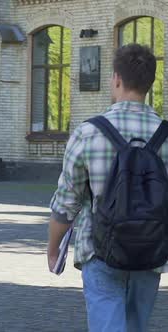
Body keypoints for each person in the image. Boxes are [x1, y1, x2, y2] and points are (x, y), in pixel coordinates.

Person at [48, 44, 168, 332]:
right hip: (151, 252)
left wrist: (53, 249)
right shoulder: (165, 135)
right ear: (150, 83)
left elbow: (66, 203)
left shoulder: (88, 133)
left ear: (116, 79)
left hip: (101, 249)